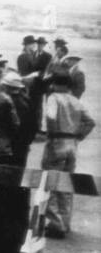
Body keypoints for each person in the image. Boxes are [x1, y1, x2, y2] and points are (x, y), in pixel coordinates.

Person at [40, 73, 95, 238]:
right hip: (72, 144)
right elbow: (90, 121)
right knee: (67, 184)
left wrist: (51, 132)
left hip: (57, 142)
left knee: (51, 181)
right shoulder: (76, 100)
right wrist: (79, 135)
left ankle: (56, 224)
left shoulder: (54, 98)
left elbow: (50, 116)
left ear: (56, 84)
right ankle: (65, 221)